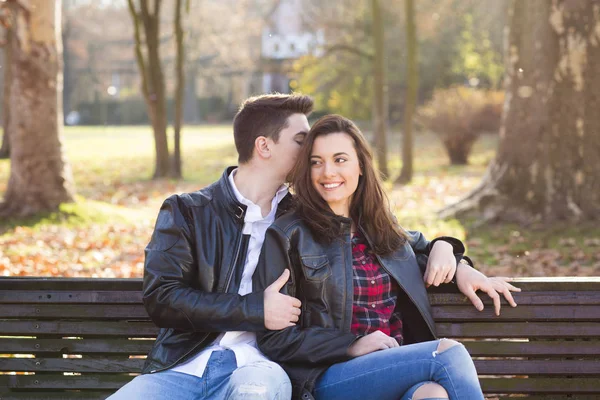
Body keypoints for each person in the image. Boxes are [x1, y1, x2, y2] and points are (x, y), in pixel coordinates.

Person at [253, 114, 521, 400]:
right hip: (328, 377)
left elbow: (423, 249)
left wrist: (457, 261)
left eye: (340, 159)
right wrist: (351, 345)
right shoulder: (288, 235)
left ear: (361, 166)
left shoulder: (379, 226)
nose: (327, 172)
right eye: (316, 162)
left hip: (394, 367)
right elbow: (274, 338)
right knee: (446, 355)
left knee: (433, 395)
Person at [109, 94, 314, 400]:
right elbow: (162, 297)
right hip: (181, 368)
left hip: (258, 367)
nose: (310, 152)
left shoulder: (305, 221)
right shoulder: (187, 211)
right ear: (264, 146)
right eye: (301, 140)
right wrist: (255, 310)